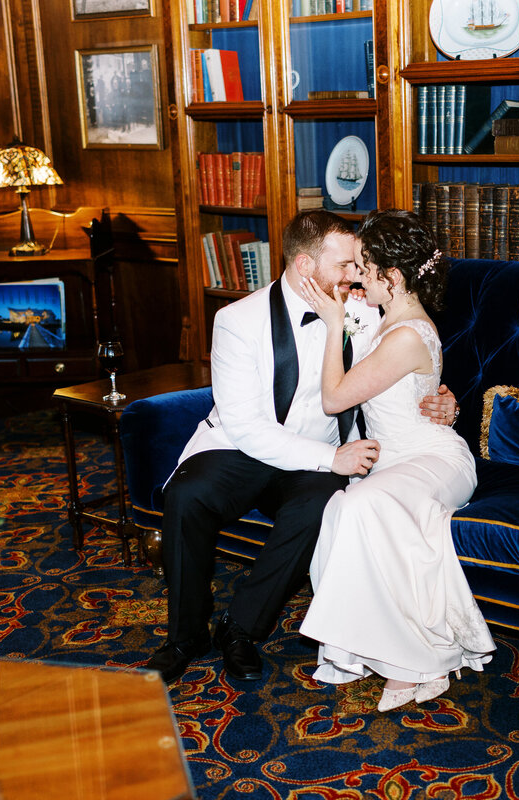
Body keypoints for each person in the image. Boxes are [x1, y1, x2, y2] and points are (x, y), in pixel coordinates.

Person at [146, 209, 460, 685]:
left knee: (320, 505)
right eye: (346, 266)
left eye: (360, 265)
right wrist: (329, 458)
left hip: (321, 452)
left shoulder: (366, 307)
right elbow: (247, 427)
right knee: (187, 497)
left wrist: (442, 398)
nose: (356, 275)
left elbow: (410, 358)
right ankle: (184, 635)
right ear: (305, 266)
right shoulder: (236, 320)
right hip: (240, 449)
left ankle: (242, 628)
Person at [297, 209, 496, 711]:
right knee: (343, 509)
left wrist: (335, 321)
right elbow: (413, 389)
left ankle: (414, 662)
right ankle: (369, 646)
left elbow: (336, 398)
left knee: (364, 505)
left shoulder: (407, 334)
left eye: (365, 267)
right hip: (396, 459)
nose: (356, 277)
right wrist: (351, 315)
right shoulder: (387, 318)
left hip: (433, 458)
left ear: (394, 276)